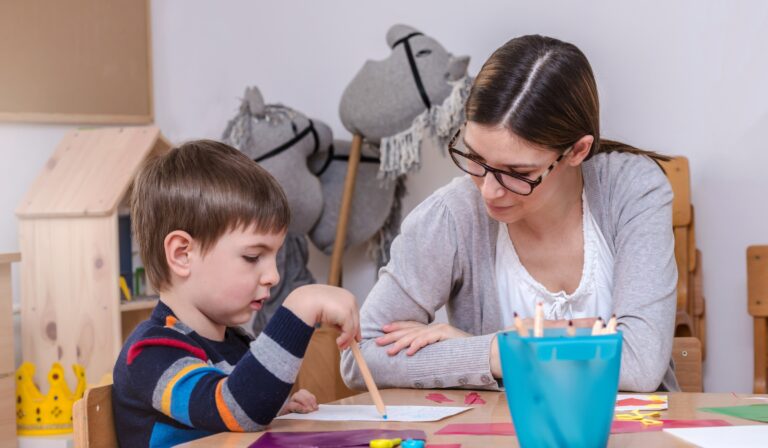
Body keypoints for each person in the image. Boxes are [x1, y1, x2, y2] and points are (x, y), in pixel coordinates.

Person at [341, 34, 679, 393]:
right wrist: (494, 354)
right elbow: (361, 355)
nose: (489, 190)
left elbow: (640, 361)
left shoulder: (631, 188)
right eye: (474, 158)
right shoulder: (453, 214)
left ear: (577, 151)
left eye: (517, 173)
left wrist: (504, 347)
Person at [112, 140, 360, 447]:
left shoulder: (238, 344)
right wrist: (301, 306)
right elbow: (234, 409)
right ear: (182, 254)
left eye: (274, 257)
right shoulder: (151, 352)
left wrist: (275, 405)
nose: (273, 276)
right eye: (253, 257)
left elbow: (234, 411)